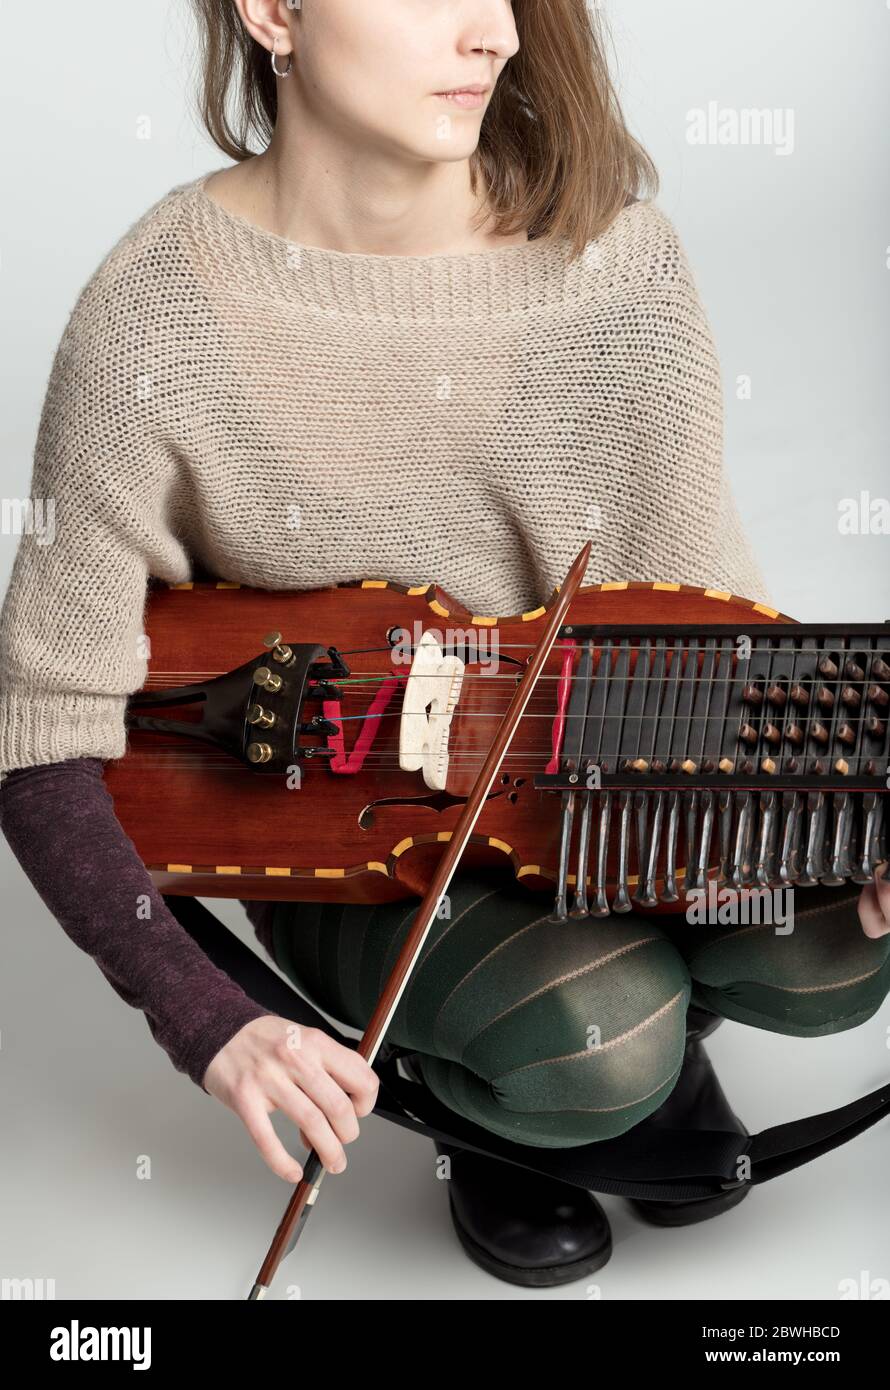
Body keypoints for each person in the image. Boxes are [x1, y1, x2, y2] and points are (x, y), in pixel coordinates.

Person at [2, 0, 888, 1293]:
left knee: (843, 952)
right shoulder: (155, 316)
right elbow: (39, 734)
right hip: (365, 851)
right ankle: (516, 1077)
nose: (494, 35)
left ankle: (617, 1015)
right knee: (601, 1038)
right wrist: (213, 1022)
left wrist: (857, 806)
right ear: (270, 10)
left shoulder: (621, 264)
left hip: (611, 787)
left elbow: (711, 634)